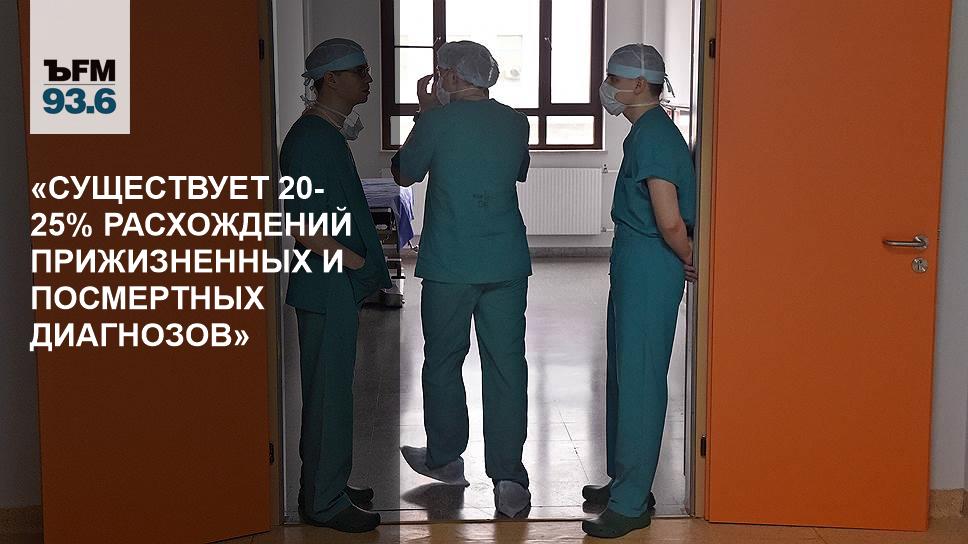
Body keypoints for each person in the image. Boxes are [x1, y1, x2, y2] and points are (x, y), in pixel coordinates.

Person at [392, 40, 533, 518]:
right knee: (507, 366)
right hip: (505, 263)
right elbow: (517, 171)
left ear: (451, 76)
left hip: (450, 264)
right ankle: (509, 479)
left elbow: (404, 173)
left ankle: (446, 459)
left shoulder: (436, 121)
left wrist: (424, 114)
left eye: (440, 73)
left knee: (444, 361)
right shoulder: (515, 122)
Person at [580, 44, 697, 539]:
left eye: (613, 78)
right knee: (624, 374)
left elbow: (669, 219)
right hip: (636, 258)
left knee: (641, 379)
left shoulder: (655, 137)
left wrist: (690, 256)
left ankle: (631, 504)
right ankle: (625, 481)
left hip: (652, 262)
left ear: (639, 84)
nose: (607, 87)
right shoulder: (645, 132)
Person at [280, 38, 391, 533]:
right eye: (359, 72)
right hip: (326, 285)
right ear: (330, 79)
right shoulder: (309, 141)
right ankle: (323, 502)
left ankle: (326, 485)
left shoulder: (326, 135)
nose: (368, 79)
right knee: (327, 397)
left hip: (332, 284)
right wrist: (357, 263)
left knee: (333, 393)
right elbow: (303, 226)